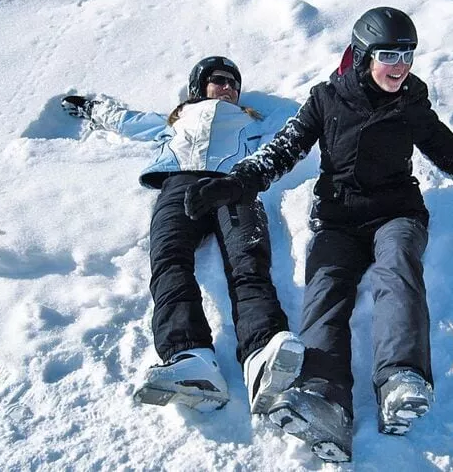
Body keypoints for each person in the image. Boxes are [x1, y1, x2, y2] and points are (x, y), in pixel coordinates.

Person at [184, 9, 453, 462]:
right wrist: (236, 183)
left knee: (397, 268)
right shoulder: (325, 99)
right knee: (325, 289)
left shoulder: (412, 105)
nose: (401, 66)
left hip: (397, 214)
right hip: (338, 219)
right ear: (363, 56)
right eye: (389, 55)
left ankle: (401, 377)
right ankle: (323, 396)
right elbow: (282, 151)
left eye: (408, 55)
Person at [61, 56, 305, 415]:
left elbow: (304, 121)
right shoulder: (175, 120)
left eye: (234, 84)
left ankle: (263, 350)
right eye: (220, 80)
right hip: (179, 185)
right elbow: (127, 121)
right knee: (169, 260)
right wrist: (92, 108)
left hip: (235, 184)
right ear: (199, 85)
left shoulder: (253, 120)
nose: (228, 88)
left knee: (248, 262)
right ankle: (190, 356)